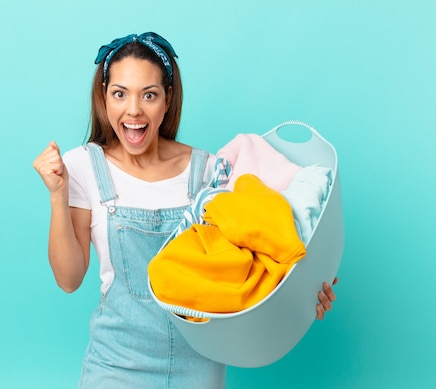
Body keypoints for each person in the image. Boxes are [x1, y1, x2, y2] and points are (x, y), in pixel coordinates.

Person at [32, 32, 338, 388]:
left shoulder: (212, 171)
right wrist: (58, 194)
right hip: (115, 366)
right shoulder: (83, 166)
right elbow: (68, 280)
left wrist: (305, 293)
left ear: (167, 99)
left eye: (149, 94)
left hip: (200, 370)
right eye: (119, 93)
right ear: (104, 98)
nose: (133, 110)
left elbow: (258, 263)